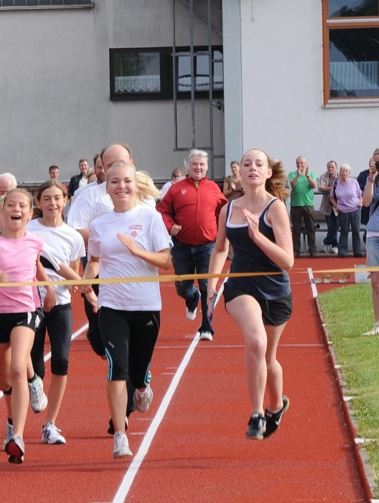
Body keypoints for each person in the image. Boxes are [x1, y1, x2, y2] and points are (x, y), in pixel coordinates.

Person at [87, 162, 173, 460]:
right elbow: (95, 260)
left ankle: (142, 385)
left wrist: (137, 251)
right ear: (106, 187)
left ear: (135, 185)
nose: (121, 186)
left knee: (136, 373)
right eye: (114, 182)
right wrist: (88, 278)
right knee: (116, 367)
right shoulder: (100, 225)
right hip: (112, 305)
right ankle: (121, 435)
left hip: (146, 306)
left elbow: (165, 262)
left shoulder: (150, 218)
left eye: (126, 181)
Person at [208, 149, 294, 439]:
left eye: (259, 164)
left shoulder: (275, 208)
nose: (253, 168)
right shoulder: (229, 209)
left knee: (269, 357)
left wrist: (258, 238)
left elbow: (288, 261)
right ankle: (257, 413)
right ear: (239, 173)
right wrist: (212, 284)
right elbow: (220, 249)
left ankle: (276, 406)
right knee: (255, 341)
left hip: (276, 290)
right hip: (241, 288)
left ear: (268, 172)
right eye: (247, 164)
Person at [0, 187, 55, 463]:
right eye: (11, 205)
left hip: (25, 311)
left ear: (30, 214)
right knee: (3, 381)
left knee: (18, 366)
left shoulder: (34, 241)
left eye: (22, 206)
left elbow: (37, 267)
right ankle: (14, 414)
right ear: (1, 212)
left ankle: (17, 435)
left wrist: (49, 288)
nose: (16, 209)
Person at [27, 181, 86, 445]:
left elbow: (72, 268)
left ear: (65, 201)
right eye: (47, 199)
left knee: (61, 361)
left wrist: (85, 289)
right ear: (38, 203)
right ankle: (32, 391)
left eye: (57, 198)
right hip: (32, 303)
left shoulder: (73, 236)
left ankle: (50, 424)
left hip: (61, 305)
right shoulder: (28, 230)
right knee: (35, 366)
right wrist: (46, 288)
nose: (52, 203)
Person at [156, 149, 226, 341]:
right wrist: (170, 226)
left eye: (202, 164)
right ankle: (191, 298)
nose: (198, 167)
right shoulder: (176, 189)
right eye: (195, 164)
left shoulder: (213, 188)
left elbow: (225, 211)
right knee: (182, 288)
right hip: (182, 247)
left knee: (207, 287)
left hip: (207, 246)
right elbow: (162, 212)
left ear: (206, 167)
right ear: (188, 166)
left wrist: (223, 233)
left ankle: (207, 326)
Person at [360, 148, 379, 336]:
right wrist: (372, 178)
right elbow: (366, 202)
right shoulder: (372, 179)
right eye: (374, 162)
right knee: (376, 283)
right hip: (374, 232)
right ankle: (378, 324)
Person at [286, 157, 319, 257]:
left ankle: (312, 250)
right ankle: (296, 251)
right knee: (296, 230)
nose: (300, 164)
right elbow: (292, 185)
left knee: (310, 229)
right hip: (296, 205)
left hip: (308, 205)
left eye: (302, 163)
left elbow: (314, 186)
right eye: (298, 163)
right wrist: (298, 176)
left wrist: (307, 176)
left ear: (306, 164)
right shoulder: (292, 174)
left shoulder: (311, 174)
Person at [331, 163, 363, 257]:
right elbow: (331, 197)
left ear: (349, 173)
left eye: (346, 171)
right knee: (344, 231)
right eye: (342, 171)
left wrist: (360, 202)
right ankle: (342, 252)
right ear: (339, 173)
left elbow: (360, 195)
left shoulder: (354, 182)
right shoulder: (336, 183)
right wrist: (336, 205)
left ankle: (357, 252)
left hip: (355, 209)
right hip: (343, 211)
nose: (344, 173)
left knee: (356, 231)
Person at [319, 161, 340, 254]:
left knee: (336, 225)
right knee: (331, 226)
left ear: (336, 167)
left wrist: (328, 188)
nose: (330, 169)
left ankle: (327, 242)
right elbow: (320, 187)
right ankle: (334, 245)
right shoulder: (324, 176)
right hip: (327, 205)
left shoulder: (341, 175)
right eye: (329, 167)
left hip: (338, 205)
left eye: (332, 167)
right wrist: (333, 188)